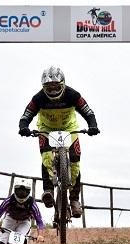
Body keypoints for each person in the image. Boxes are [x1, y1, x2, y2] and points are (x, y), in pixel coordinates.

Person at [18, 66, 100, 218]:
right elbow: (26, 115)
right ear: (44, 87)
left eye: (56, 86)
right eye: (49, 87)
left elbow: (88, 111)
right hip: (46, 129)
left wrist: (92, 126)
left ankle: (74, 200)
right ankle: (48, 190)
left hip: (70, 128)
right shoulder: (38, 98)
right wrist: (23, 127)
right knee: (47, 158)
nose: (53, 90)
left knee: (75, 162)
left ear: (63, 84)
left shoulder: (73, 94)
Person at [0, 178, 45, 244]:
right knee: (1, 242)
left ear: (28, 192)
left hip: (24, 222)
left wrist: (40, 235)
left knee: (18, 243)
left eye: (24, 191)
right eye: (19, 191)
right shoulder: (9, 200)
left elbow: (39, 220)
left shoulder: (32, 204)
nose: (21, 193)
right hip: (10, 219)